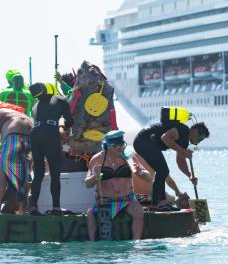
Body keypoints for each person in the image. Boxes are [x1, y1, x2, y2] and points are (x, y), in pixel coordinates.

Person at [85, 131, 151, 240]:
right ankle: (93, 243)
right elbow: (87, 184)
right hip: (106, 200)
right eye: (116, 146)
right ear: (107, 146)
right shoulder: (97, 159)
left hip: (127, 199)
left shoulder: (129, 157)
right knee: (90, 214)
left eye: (122, 144)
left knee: (138, 211)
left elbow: (148, 177)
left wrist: (140, 172)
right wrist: (94, 177)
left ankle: (137, 243)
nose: (120, 148)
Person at [132, 120, 209, 209]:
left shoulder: (184, 142)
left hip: (147, 143)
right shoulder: (183, 129)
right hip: (144, 140)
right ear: (194, 131)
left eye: (201, 140)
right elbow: (165, 138)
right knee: (163, 170)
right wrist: (183, 151)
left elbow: (180, 160)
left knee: (162, 171)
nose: (198, 142)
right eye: (199, 138)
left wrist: (190, 175)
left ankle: (156, 203)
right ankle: (161, 203)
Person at [28, 82, 74, 215]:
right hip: (50, 134)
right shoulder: (60, 99)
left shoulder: (35, 105)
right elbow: (70, 120)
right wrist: (65, 126)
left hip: (35, 135)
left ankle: (33, 206)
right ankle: (56, 208)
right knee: (55, 173)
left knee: (38, 173)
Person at [0, 103, 33, 213]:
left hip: (13, 136)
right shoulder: (18, 114)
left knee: (2, 174)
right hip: (28, 137)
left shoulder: (2, 112)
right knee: (21, 176)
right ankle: (21, 210)